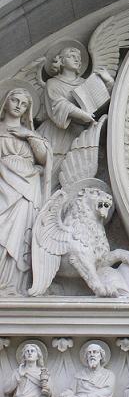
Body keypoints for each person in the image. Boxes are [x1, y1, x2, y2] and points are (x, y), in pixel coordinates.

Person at [0, 88, 51, 295]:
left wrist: (29, 135)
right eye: (15, 100)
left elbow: (45, 159)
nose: (18, 106)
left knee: (19, 233)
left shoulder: (30, 134)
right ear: (5, 102)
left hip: (27, 189)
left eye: (24, 104)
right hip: (3, 184)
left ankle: (13, 283)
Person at [38, 46, 112, 185]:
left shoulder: (86, 83)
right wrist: (81, 114)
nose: (77, 59)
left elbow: (106, 103)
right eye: (72, 56)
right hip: (59, 133)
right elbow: (58, 104)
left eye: (78, 57)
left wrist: (109, 83)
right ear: (61, 61)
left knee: (78, 172)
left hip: (82, 134)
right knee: (54, 174)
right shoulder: (53, 83)